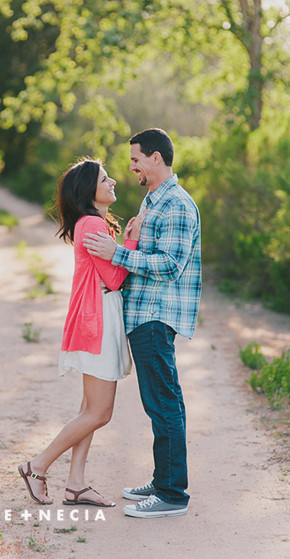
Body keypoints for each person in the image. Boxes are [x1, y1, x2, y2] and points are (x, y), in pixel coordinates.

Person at [83, 128, 202, 518]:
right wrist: (129, 243)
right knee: (158, 404)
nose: (131, 166)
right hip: (141, 316)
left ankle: (171, 495)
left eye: (136, 159)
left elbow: (170, 265)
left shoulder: (177, 205)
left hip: (156, 316)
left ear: (155, 157)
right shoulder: (154, 201)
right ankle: (163, 478)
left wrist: (118, 254)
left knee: (165, 404)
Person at [17, 158, 143, 507]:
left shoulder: (94, 224)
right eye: (106, 179)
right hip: (96, 322)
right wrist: (131, 241)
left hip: (100, 319)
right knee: (99, 412)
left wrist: (123, 241)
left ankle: (76, 484)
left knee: (89, 407)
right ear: (91, 190)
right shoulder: (91, 225)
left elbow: (110, 273)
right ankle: (37, 465)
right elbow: (115, 279)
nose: (114, 181)